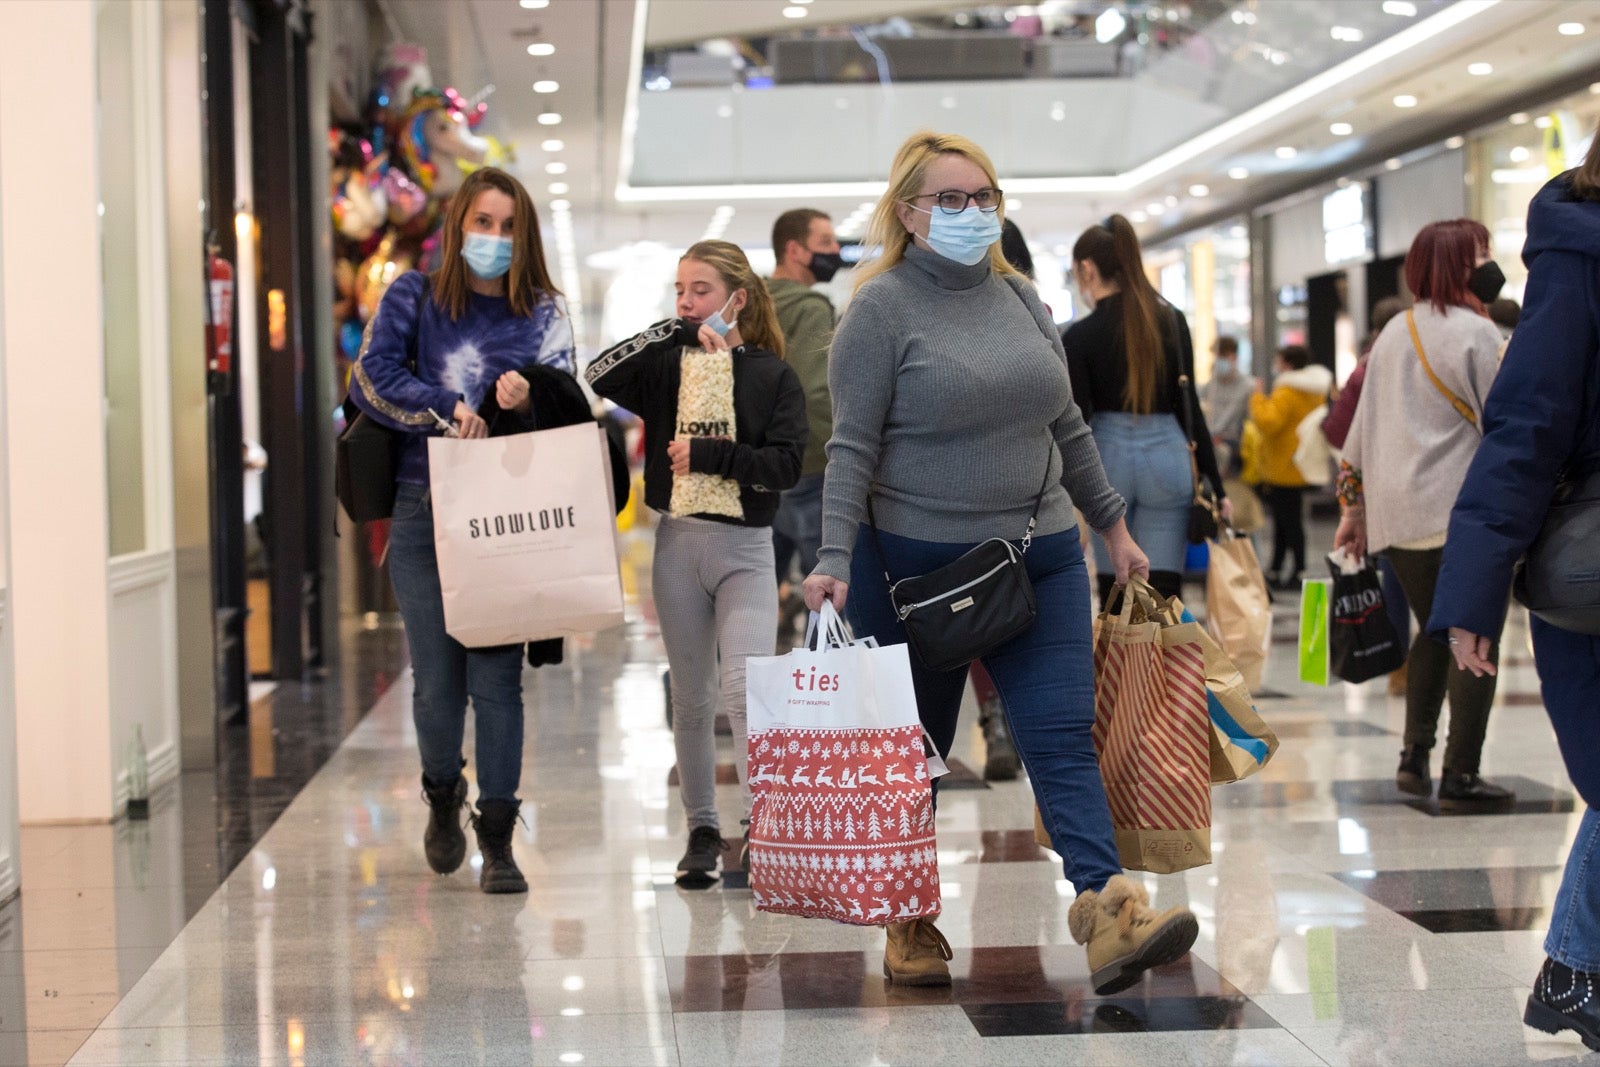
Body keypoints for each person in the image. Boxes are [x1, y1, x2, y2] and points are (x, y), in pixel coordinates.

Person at [802, 131, 1197, 992]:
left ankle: (1108, 909)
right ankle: (908, 918)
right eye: (952, 200)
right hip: (916, 574)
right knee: (916, 749)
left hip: (1040, 552)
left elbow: (1068, 426)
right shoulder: (879, 310)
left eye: (985, 197)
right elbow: (851, 447)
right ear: (907, 212)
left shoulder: (1023, 301)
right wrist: (835, 554)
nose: (973, 213)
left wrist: (1114, 527)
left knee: (1059, 737)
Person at [350, 166, 575, 894]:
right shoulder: (414, 295)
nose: (495, 239)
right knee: (437, 684)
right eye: (483, 222)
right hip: (423, 507)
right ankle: (443, 792)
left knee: (497, 681)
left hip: (507, 514)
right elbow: (371, 378)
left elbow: (570, 414)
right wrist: (445, 405)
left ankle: (499, 833)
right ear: (458, 227)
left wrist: (527, 397)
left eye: (509, 227)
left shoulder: (542, 311)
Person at [1429, 131, 1600, 1051]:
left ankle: (1575, 969)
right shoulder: (1578, 252)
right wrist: (1472, 594)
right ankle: (1574, 969)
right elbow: (1526, 424)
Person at [586, 240, 806, 886]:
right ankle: (702, 827)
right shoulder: (667, 364)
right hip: (677, 545)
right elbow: (600, 371)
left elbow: (786, 467)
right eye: (679, 289)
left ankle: (761, 827)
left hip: (745, 549)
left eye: (701, 290)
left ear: (737, 298)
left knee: (744, 690)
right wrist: (669, 330)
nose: (686, 301)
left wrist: (713, 456)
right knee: (690, 695)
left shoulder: (772, 375)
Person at [1334, 217, 1512, 807]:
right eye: (1479, 253)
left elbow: (1355, 437)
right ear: (1459, 265)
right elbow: (1505, 425)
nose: (1488, 262)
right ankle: (1461, 772)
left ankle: (1413, 758)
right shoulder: (1477, 334)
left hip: (1399, 520)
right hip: (1462, 515)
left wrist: (1354, 513)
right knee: (1474, 637)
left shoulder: (1393, 333)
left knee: (1435, 634)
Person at [1063, 215, 1226, 607]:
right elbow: (1191, 412)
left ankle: (1124, 670)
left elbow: (1076, 420)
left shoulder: (1080, 336)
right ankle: (1168, 670)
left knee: (1117, 589)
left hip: (1108, 460)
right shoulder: (1170, 320)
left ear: (1088, 268)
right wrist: (1217, 486)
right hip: (1167, 456)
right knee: (1165, 594)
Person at [1323, 296, 1410, 696]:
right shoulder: (1409, 358)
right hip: (1420, 482)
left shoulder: (1365, 368)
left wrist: (1351, 500)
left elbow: (1339, 431)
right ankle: (1424, 664)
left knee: (1392, 572)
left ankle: (1400, 665)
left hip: (1380, 483)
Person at [767, 209, 842, 627]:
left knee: (759, 591)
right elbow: (816, 392)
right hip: (811, 466)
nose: (835, 251)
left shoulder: (750, 301)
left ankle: (742, 687)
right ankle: (826, 685)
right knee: (826, 592)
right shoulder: (811, 307)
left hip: (763, 466)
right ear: (794, 250)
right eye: (826, 242)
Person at [1248, 345, 1332, 590]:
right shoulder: (1314, 390)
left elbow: (1268, 422)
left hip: (1282, 466)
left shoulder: (1288, 390)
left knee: (1288, 522)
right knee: (1288, 521)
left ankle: (1295, 571)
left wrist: (1257, 397)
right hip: (1298, 463)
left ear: (1287, 363)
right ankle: (1278, 569)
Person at [1200, 335, 1251, 469]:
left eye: (1221, 356)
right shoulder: (1214, 382)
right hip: (1212, 438)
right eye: (1216, 356)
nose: (1218, 360)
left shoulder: (1246, 384)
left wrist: (1216, 434)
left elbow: (1233, 413)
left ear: (1233, 357)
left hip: (1232, 441)